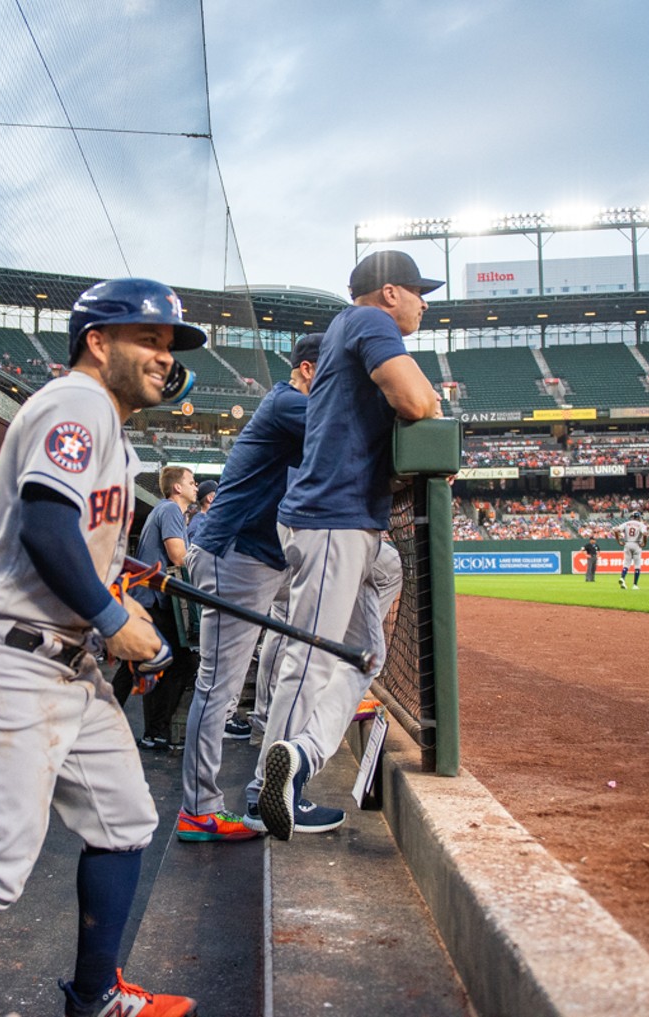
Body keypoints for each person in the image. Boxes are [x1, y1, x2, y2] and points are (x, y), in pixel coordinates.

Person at [0, 278, 204, 1017]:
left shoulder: (108, 426)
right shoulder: (77, 401)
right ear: (98, 341)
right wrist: (109, 611)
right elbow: (44, 527)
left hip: (65, 662)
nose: (164, 356)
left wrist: (113, 605)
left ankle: (93, 996)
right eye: (148, 340)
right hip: (3, 659)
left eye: (169, 345)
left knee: (125, 820)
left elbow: (75, 546)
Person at [257, 250, 443, 842]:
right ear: (389, 292)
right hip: (332, 519)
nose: (425, 302)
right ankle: (269, 788)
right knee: (311, 657)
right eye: (418, 291)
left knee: (366, 654)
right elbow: (416, 402)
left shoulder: (350, 328)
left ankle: (302, 757)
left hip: (347, 517)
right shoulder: (368, 322)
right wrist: (434, 409)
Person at [175, 333, 321, 842]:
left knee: (329, 612)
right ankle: (198, 810)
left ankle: (342, 690)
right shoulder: (287, 402)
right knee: (218, 687)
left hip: (263, 559)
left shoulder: (294, 404)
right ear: (307, 369)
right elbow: (345, 437)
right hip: (236, 557)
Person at [126, 465, 200, 750]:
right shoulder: (170, 510)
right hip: (155, 600)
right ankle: (156, 731)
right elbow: (178, 556)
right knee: (180, 662)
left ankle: (155, 732)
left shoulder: (168, 511)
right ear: (177, 487)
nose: (196, 487)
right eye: (191, 482)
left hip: (150, 599)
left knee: (163, 663)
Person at [614, 510, 649, 589]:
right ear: (639, 517)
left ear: (632, 517)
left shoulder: (626, 523)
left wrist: (618, 541)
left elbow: (616, 530)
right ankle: (635, 585)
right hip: (637, 544)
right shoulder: (641, 524)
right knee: (637, 566)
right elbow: (645, 534)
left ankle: (622, 578)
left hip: (627, 543)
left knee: (626, 564)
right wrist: (644, 543)